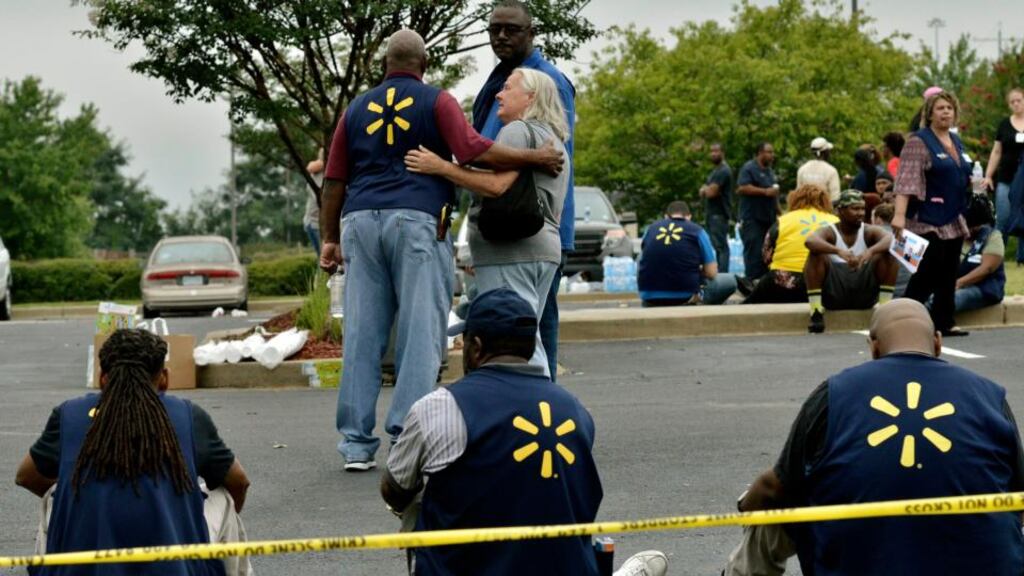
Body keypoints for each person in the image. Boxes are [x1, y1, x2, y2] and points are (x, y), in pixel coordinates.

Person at [319, 29, 564, 471]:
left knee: (361, 334)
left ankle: (355, 444)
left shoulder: (355, 108)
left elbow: (334, 178)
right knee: (420, 333)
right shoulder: (437, 101)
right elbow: (471, 149)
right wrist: (533, 158)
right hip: (416, 221)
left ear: (385, 66)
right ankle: (407, 437)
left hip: (358, 222)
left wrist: (329, 238)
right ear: (424, 65)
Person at [723, 299, 1024, 575]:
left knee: (781, 501)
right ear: (938, 343)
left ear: (874, 348)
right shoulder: (988, 396)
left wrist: (745, 506)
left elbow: (774, 487)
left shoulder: (835, 393)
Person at [381, 288, 668, 576]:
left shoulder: (439, 407)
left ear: (476, 347)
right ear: (530, 348)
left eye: (463, 341)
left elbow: (395, 488)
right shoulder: (575, 410)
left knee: (421, 503)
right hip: (565, 567)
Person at [16, 329, 252, 576]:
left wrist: (78, 494)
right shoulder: (188, 416)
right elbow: (239, 482)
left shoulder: (69, 415)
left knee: (54, 494)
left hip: (85, 567)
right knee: (223, 497)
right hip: (175, 568)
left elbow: (26, 476)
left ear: (102, 378)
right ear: (164, 378)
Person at [404, 67, 569, 377]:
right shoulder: (556, 143)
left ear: (530, 97)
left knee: (512, 343)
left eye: (507, 88)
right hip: (545, 250)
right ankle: (539, 407)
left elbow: (496, 186)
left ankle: (536, 411)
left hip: (511, 252)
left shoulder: (518, 132)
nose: (499, 94)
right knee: (526, 337)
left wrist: (441, 167)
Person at [473, 0, 576, 382]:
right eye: (494, 28)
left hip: (531, 227)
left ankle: (543, 411)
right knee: (521, 329)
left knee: (532, 332)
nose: (500, 36)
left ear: (531, 33)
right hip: (509, 227)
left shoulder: (542, 82)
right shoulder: (502, 80)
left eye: (511, 29)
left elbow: (555, 157)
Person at [892, 90, 973, 337]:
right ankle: (902, 320)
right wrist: (899, 214)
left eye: (949, 108)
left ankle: (943, 321)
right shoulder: (918, 141)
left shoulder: (955, 141)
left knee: (949, 271)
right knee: (927, 271)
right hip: (926, 217)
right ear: (929, 113)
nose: (946, 112)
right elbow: (907, 180)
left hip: (953, 216)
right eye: (940, 108)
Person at [804, 190, 897, 333]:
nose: (860, 213)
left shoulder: (869, 231)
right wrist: (838, 251)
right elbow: (810, 241)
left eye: (862, 209)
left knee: (887, 253)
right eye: (855, 208)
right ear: (840, 211)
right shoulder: (830, 231)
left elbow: (891, 239)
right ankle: (816, 312)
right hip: (834, 295)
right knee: (816, 254)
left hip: (864, 295)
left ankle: (885, 310)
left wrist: (870, 251)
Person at [743, 185, 837, 304]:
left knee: (752, 300)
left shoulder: (783, 220)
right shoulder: (836, 221)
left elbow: (766, 256)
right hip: (824, 284)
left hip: (783, 282)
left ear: (794, 199)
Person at [637, 201, 737, 306]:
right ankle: (703, 306)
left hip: (649, 296)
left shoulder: (650, 229)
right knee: (730, 281)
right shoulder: (697, 231)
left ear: (666, 216)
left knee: (641, 256)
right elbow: (711, 273)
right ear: (689, 217)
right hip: (685, 296)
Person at [982, 87, 1024, 264]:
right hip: (1006, 178)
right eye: (1012, 101)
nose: (1016, 104)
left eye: (1019, 100)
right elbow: (997, 151)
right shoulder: (1004, 124)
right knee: (1003, 219)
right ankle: (996, 258)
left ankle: (1021, 258)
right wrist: (988, 175)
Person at [954, 193, 1005, 312]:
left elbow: (986, 268)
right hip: (955, 286)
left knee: (952, 299)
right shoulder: (954, 236)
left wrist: (958, 283)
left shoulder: (993, 236)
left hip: (983, 289)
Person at [737, 142, 779, 281]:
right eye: (769, 152)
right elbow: (742, 188)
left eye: (772, 152)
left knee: (767, 252)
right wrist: (765, 191)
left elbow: (773, 195)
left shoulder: (770, 171)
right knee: (753, 252)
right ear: (760, 153)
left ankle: (763, 283)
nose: (772, 155)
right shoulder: (749, 168)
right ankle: (751, 282)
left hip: (768, 219)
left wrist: (780, 212)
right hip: (752, 219)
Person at [700, 143, 734, 272]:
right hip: (712, 214)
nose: (713, 154)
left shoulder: (723, 171)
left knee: (721, 247)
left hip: (718, 214)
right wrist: (706, 189)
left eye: (716, 151)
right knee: (715, 246)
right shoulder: (716, 171)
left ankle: (722, 275)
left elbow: (710, 192)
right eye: (711, 151)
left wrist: (705, 189)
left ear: (723, 153)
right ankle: (718, 273)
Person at [872, 202, 912, 297]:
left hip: (882, 296)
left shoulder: (873, 237)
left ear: (878, 219)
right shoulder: (911, 240)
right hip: (908, 294)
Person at [795, 137, 841, 203]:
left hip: (805, 209)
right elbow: (835, 198)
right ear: (826, 152)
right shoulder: (831, 171)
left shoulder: (802, 169)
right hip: (824, 210)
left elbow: (798, 194)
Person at [303, 151, 324, 257]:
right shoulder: (318, 168)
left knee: (323, 256)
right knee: (322, 256)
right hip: (313, 222)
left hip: (320, 223)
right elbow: (310, 167)